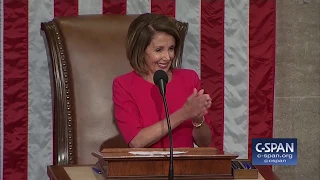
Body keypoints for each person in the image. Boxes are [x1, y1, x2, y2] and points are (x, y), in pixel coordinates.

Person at [112, 13, 213, 148]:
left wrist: (198, 120)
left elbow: (204, 143)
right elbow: (136, 141)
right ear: (140, 51)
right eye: (159, 50)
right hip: (147, 167)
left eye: (171, 48)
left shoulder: (189, 78)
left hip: (187, 166)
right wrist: (184, 113)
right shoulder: (123, 85)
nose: (167, 57)